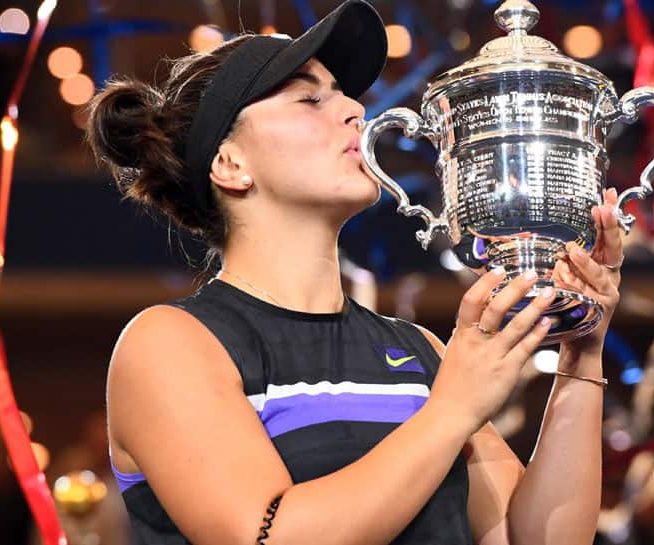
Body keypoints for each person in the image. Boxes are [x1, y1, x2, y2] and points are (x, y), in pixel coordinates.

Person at [86, 1, 624, 544]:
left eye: (343, 94)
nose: (354, 110)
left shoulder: (420, 350)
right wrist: (453, 408)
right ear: (230, 165)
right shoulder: (169, 344)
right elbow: (266, 535)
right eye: (309, 98)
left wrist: (582, 351)